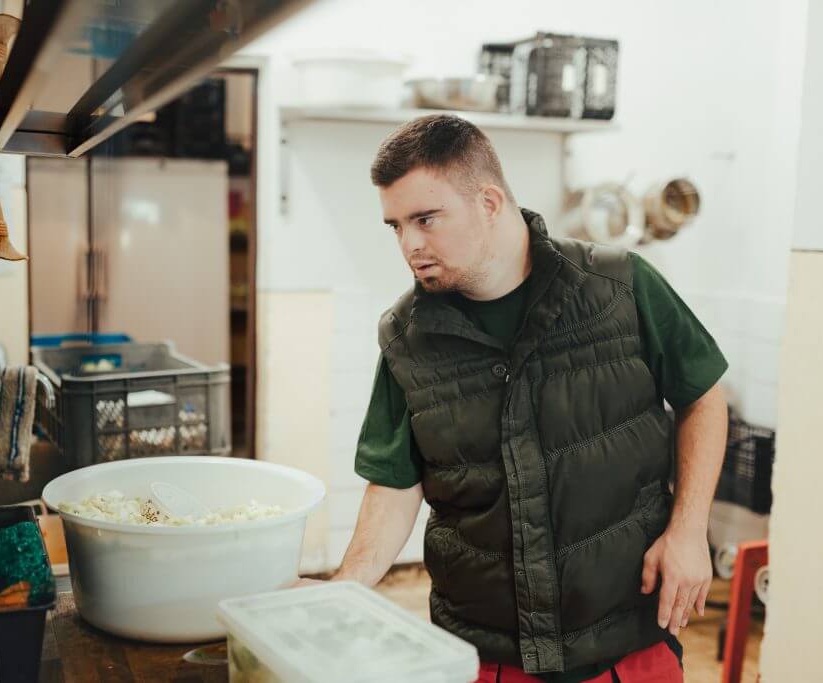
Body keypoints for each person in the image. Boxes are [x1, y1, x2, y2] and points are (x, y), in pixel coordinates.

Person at [302, 115, 728, 682]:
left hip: (628, 647)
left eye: (425, 219)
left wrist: (689, 529)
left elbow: (703, 395)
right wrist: (348, 583)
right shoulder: (407, 337)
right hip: (486, 658)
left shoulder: (619, 286)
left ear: (489, 201)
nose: (409, 245)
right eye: (395, 226)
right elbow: (394, 480)